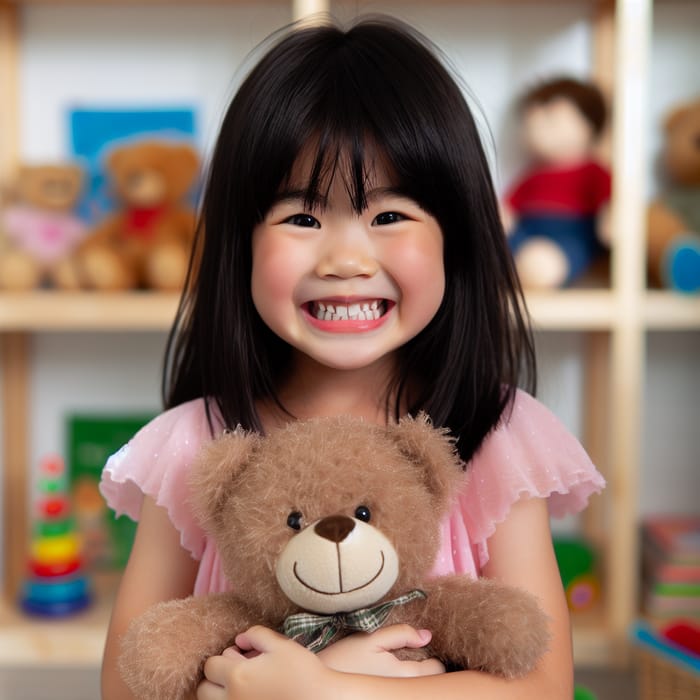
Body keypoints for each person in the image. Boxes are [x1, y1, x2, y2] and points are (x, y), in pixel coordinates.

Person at [100, 15, 605, 700]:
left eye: (389, 216)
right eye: (302, 218)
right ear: (239, 244)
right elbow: (126, 682)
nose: (345, 260)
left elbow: (543, 685)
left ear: (455, 236)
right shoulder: (194, 446)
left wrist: (329, 690)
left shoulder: (495, 434)